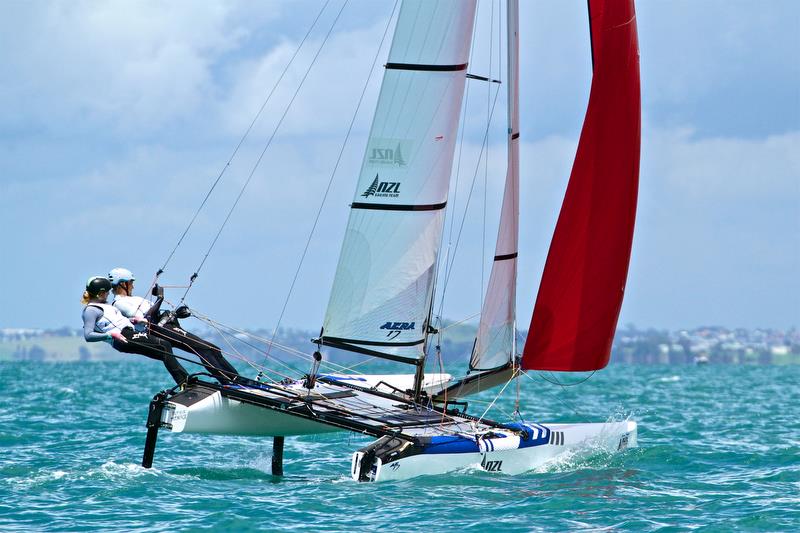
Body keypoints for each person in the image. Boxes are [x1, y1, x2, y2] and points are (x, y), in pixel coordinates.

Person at [107, 267, 240, 384]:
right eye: (131, 282)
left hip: (167, 326)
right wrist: (160, 298)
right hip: (158, 330)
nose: (133, 286)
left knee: (213, 349)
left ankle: (238, 381)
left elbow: (156, 312)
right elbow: (147, 318)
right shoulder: (119, 303)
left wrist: (176, 313)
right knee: (204, 349)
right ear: (122, 284)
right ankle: (229, 383)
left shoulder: (135, 299)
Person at [81, 276, 189, 384]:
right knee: (164, 345)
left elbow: (114, 322)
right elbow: (88, 335)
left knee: (163, 351)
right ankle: (185, 382)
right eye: (107, 292)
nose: (109, 293)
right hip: (122, 337)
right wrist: (111, 335)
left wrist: (133, 320)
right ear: (100, 293)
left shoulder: (103, 306)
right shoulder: (91, 310)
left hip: (128, 333)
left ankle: (187, 382)